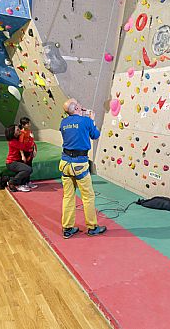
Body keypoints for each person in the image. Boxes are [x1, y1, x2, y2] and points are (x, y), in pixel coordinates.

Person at [59, 98, 107, 239]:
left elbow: (74, 132)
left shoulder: (63, 122)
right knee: (88, 197)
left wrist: (84, 118)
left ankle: (67, 228)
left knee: (68, 196)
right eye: (78, 103)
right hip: (79, 164)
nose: (80, 104)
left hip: (65, 163)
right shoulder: (85, 121)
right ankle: (92, 227)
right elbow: (96, 135)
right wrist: (91, 120)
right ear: (76, 108)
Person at [5, 124, 35, 192]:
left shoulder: (18, 139)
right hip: (11, 162)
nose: (19, 130)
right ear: (13, 132)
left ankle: (25, 183)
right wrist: (31, 138)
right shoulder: (12, 142)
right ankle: (12, 182)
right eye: (17, 130)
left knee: (28, 166)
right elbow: (25, 147)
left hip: (17, 161)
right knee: (28, 169)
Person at [19, 117, 38, 183]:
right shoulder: (21, 133)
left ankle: (28, 182)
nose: (29, 125)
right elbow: (20, 145)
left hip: (30, 152)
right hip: (25, 153)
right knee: (25, 168)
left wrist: (35, 150)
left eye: (29, 123)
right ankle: (23, 183)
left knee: (30, 167)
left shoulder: (30, 131)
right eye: (27, 124)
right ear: (23, 125)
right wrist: (22, 155)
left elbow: (33, 142)